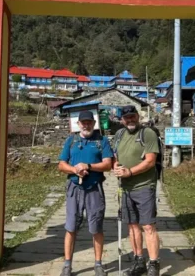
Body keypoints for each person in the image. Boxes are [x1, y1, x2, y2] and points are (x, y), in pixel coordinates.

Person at [58, 110, 114, 276]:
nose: (86, 125)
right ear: (78, 124)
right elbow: (61, 164)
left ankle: (98, 264)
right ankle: (67, 265)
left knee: (96, 227)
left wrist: (88, 166)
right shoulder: (71, 141)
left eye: (89, 122)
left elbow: (108, 164)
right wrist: (75, 169)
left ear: (94, 123)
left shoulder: (102, 141)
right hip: (74, 188)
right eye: (83, 122)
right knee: (71, 226)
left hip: (94, 188)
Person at [113, 105, 161, 276]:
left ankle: (154, 264)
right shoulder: (119, 135)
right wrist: (116, 168)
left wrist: (130, 172)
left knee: (148, 225)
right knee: (132, 226)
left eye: (133, 116)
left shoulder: (147, 134)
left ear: (138, 117)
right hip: (125, 188)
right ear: (122, 120)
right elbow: (116, 158)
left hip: (144, 186)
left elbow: (150, 161)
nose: (130, 120)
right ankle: (139, 259)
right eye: (127, 118)